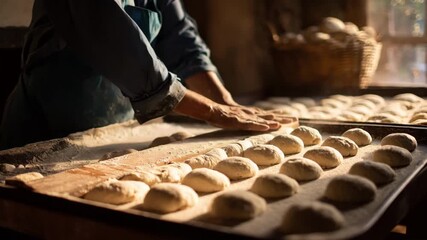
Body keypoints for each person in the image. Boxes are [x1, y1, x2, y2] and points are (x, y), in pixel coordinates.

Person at [0, 0, 296, 150]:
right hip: (44, 130)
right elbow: (111, 35)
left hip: (115, 132)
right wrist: (211, 111)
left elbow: (181, 37)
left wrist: (226, 102)